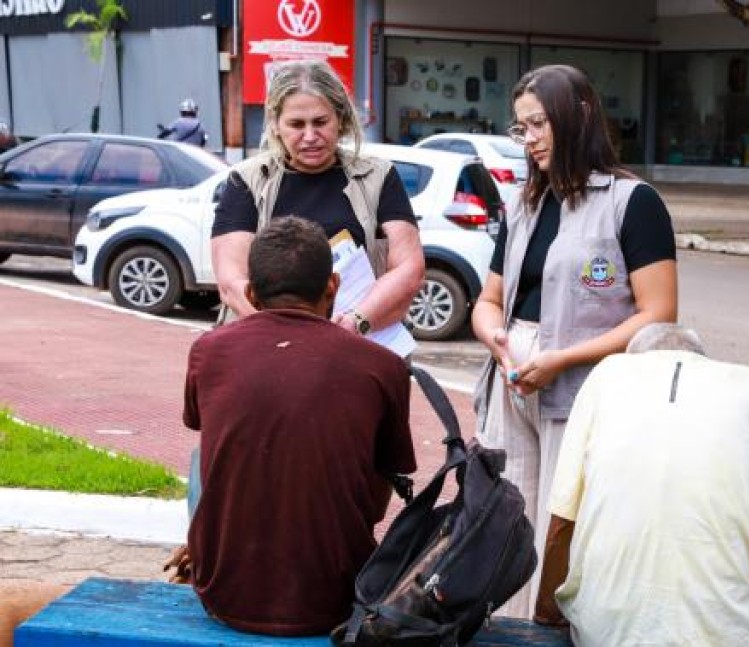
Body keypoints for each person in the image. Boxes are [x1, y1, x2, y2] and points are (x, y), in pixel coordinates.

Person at [470, 64, 678, 617]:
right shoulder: (525, 206)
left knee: (567, 524)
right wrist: (497, 339)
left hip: (585, 386)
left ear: (578, 116)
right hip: (512, 377)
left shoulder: (632, 202)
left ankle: (558, 628)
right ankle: (506, 626)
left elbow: (659, 314)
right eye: (521, 128)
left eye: (539, 124)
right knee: (505, 517)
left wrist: (563, 358)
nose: (529, 139)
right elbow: (489, 299)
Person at [533, 323, 749, 647]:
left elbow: (563, 523)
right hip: (729, 634)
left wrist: (545, 611)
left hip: (606, 631)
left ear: (636, 359)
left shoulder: (606, 378)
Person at [175, 216, 416, 636]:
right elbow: (382, 492)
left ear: (251, 294)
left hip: (223, 594)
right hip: (338, 598)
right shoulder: (384, 366)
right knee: (369, 457)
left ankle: (208, 549)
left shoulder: (208, 351)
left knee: (207, 451)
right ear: (333, 286)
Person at [212, 59, 424, 337]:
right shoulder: (246, 181)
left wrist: (355, 322)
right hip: (267, 344)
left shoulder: (378, 176)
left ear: (341, 119)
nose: (310, 136)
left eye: (320, 122)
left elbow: (409, 267)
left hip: (357, 340)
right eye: (296, 124)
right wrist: (283, 334)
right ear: (275, 124)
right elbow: (231, 281)